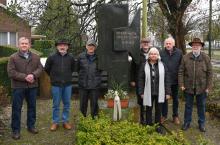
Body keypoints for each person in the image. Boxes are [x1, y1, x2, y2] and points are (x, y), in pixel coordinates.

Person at [7, 37, 43, 140]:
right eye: (22, 43)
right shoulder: (13, 57)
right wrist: (25, 77)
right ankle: (16, 130)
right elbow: (11, 72)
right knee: (16, 109)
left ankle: (31, 126)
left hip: (32, 87)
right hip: (18, 87)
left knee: (32, 107)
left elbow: (40, 68)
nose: (24, 45)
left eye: (26, 43)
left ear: (29, 45)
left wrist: (33, 75)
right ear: (18, 45)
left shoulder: (36, 57)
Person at [179, 38, 212, 132]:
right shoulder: (185, 57)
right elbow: (180, 72)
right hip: (188, 87)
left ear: (201, 46)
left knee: (201, 106)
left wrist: (208, 87)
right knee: (188, 106)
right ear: (191, 47)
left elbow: (210, 73)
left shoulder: (206, 57)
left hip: (202, 87)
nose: (195, 47)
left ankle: (201, 124)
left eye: (198, 45)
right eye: (194, 45)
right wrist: (181, 84)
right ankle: (186, 122)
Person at [138, 47, 171, 133]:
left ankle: (157, 126)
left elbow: (167, 79)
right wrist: (141, 92)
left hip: (160, 92)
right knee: (148, 109)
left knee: (158, 109)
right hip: (148, 91)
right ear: (149, 55)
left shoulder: (162, 65)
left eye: (155, 54)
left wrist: (168, 92)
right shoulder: (144, 65)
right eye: (151, 54)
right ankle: (149, 125)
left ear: (158, 55)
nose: (153, 55)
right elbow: (140, 79)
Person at [45, 40, 75, 131]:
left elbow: (73, 68)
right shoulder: (51, 57)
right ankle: (55, 122)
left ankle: (65, 121)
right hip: (56, 85)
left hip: (67, 85)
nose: (62, 47)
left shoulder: (71, 57)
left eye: (64, 45)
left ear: (67, 47)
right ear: (57, 47)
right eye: (60, 45)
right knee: (56, 105)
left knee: (67, 104)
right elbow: (47, 69)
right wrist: (54, 77)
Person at [160, 37, 182, 125]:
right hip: (164, 80)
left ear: (173, 44)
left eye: (170, 43)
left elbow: (181, 66)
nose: (168, 45)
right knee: (164, 99)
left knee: (175, 99)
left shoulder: (179, 53)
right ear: (165, 44)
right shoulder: (161, 53)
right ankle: (164, 115)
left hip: (175, 80)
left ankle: (175, 116)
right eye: (167, 43)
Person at [77, 39, 102, 119]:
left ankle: (94, 119)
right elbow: (77, 69)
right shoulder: (80, 56)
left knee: (94, 103)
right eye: (89, 45)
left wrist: (96, 78)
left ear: (95, 47)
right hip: (83, 84)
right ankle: (82, 119)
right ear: (86, 46)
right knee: (83, 104)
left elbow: (101, 69)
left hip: (95, 85)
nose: (91, 47)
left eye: (92, 46)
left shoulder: (99, 57)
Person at [130, 37, 151, 124]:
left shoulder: (153, 53)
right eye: (144, 43)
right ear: (141, 44)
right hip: (139, 81)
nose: (145, 44)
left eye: (147, 43)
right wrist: (132, 80)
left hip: (150, 81)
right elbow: (132, 68)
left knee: (149, 100)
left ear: (149, 44)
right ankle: (141, 119)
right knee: (141, 101)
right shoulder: (137, 54)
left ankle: (149, 119)